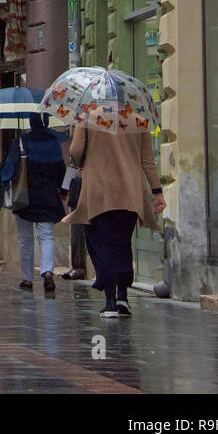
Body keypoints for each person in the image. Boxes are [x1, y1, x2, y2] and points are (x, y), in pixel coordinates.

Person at [64, 121, 164, 318]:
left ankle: (110, 301)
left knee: (101, 243)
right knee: (122, 242)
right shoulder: (137, 120)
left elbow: (75, 152)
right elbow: (147, 161)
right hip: (130, 193)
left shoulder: (88, 118)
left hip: (98, 192)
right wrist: (157, 191)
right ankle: (123, 297)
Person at [1, 114, 68, 293]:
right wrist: (63, 191)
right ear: (45, 122)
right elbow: (61, 169)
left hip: (24, 196)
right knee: (46, 236)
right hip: (47, 195)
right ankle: (47, 272)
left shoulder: (22, 141)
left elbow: (10, 169)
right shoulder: (53, 142)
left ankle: (27, 278)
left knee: (25, 239)